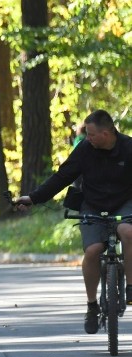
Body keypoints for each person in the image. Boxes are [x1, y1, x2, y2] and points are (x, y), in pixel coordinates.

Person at [15, 109, 132, 335]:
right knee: (93, 250)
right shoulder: (85, 150)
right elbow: (62, 176)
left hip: (124, 202)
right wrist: (33, 198)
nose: (87, 138)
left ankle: (130, 287)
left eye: (91, 134)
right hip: (93, 205)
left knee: (128, 231)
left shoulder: (129, 148)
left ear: (106, 134)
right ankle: (91, 305)